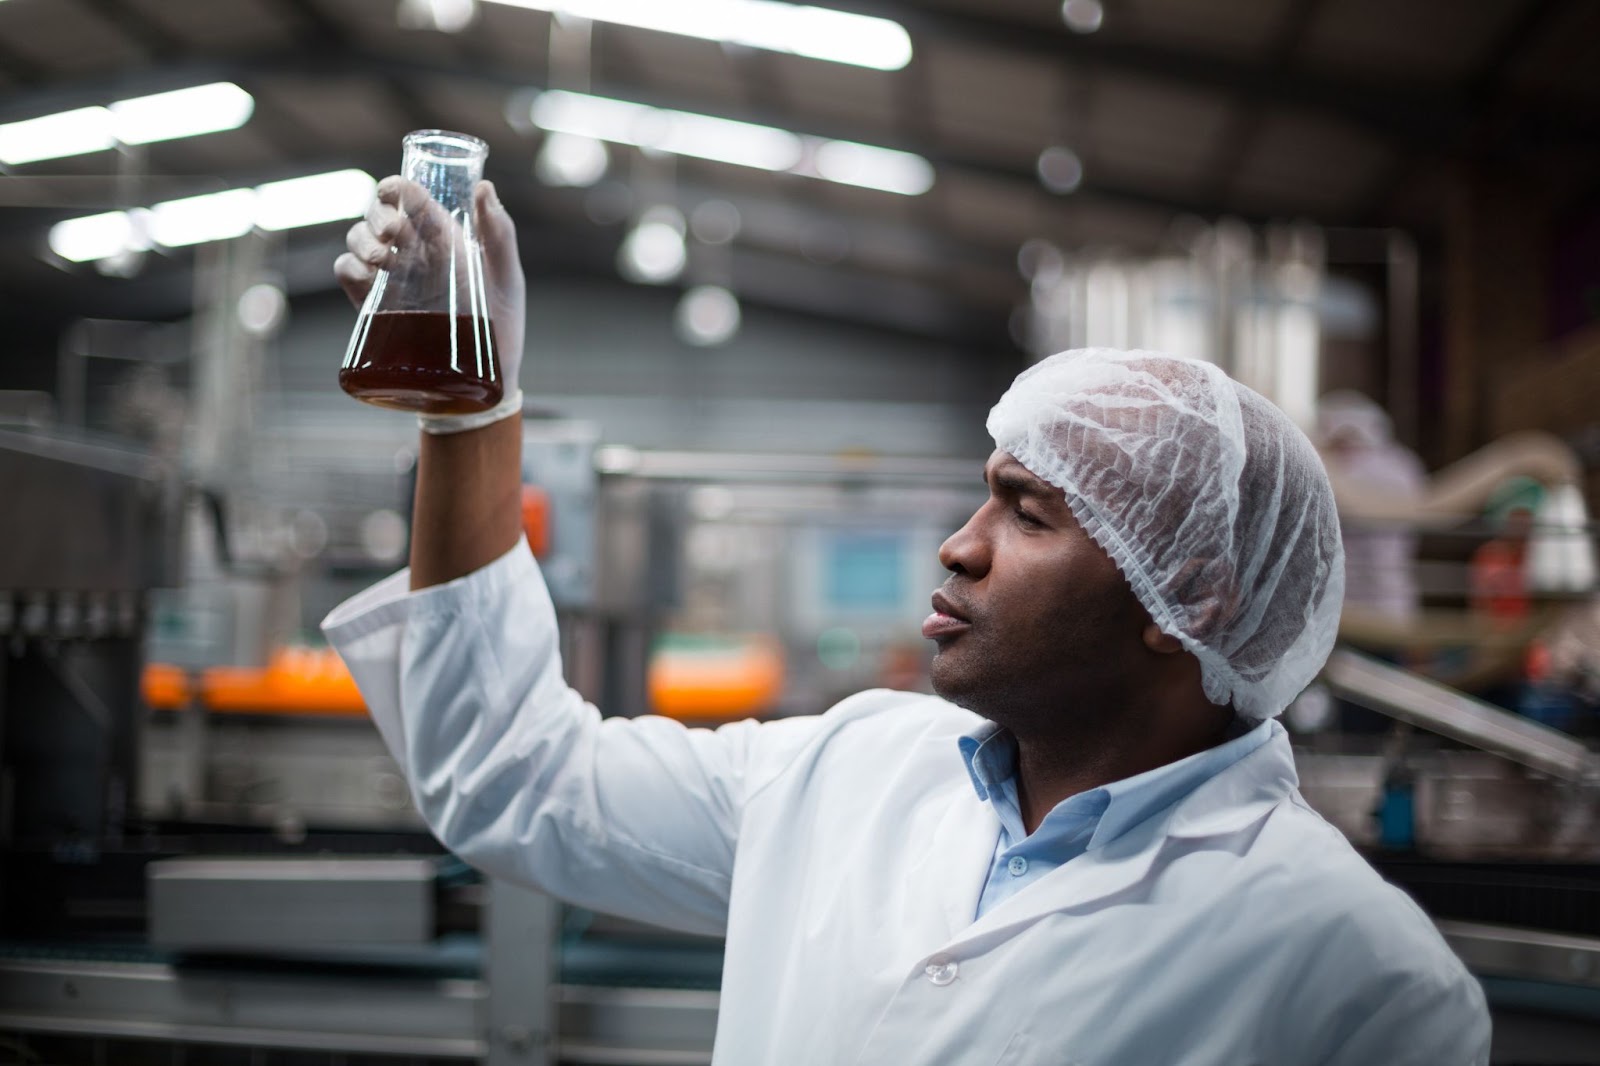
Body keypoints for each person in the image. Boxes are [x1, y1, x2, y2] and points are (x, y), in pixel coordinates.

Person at [324, 178, 1490, 1064]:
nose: (958, 542)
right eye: (984, 492)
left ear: (1186, 596)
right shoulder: (850, 766)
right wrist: (467, 411)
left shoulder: (1357, 973)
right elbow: (517, 781)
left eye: (1027, 514)